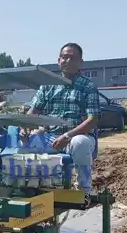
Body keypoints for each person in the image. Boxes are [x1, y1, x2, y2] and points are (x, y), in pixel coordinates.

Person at [26, 42, 100, 194]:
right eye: (64, 57)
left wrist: (67, 135)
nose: (67, 61)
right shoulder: (47, 86)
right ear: (58, 60)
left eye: (72, 58)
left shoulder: (88, 86)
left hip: (76, 136)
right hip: (50, 137)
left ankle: (84, 189)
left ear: (80, 63)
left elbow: (93, 119)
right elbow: (33, 111)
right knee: (24, 143)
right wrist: (25, 127)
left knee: (80, 143)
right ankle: (32, 186)